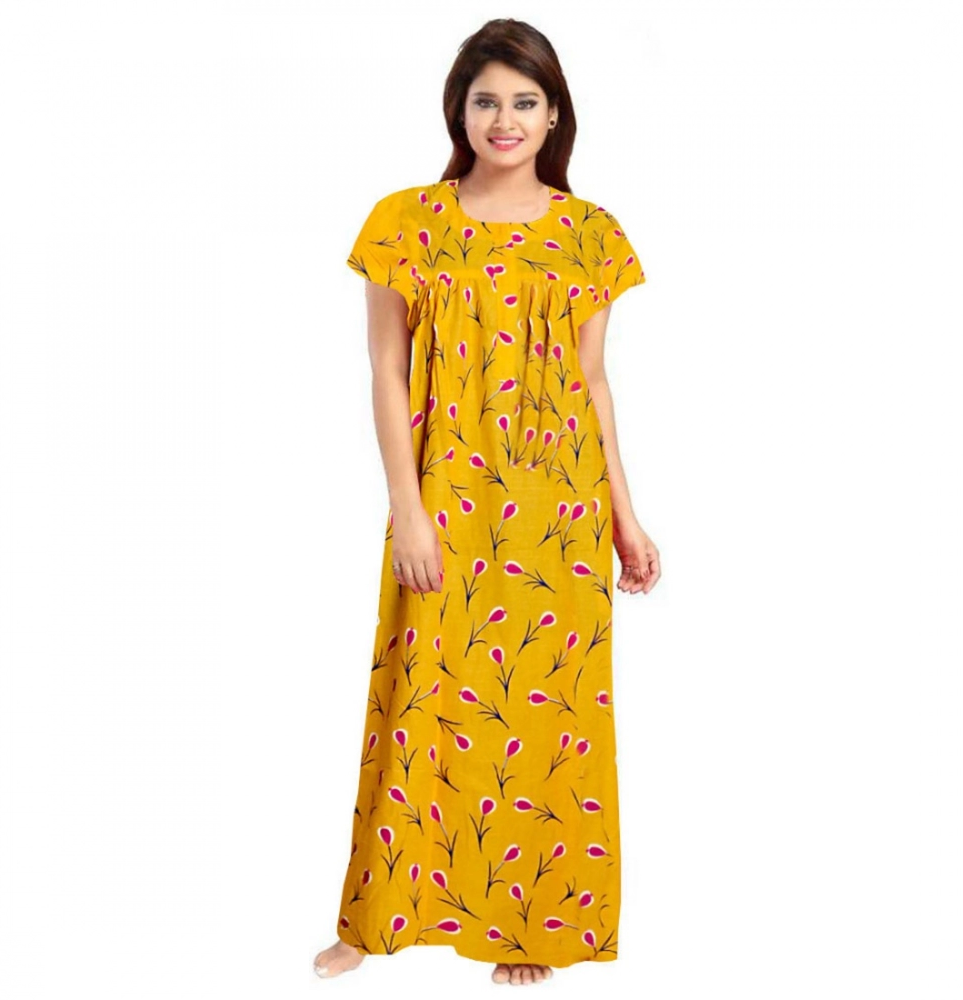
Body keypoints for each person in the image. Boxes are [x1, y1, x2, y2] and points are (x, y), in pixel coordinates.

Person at [314, 17, 661, 987]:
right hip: (448, 503)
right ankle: (377, 918)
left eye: (523, 101)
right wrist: (408, 506)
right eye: (486, 101)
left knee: (546, 719)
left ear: (553, 116)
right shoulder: (405, 222)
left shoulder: (591, 233)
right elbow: (386, 373)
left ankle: (530, 925)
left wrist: (625, 516)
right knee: (420, 698)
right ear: (458, 112)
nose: (504, 119)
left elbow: (593, 383)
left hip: (559, 514)